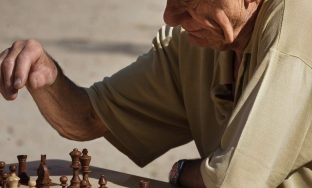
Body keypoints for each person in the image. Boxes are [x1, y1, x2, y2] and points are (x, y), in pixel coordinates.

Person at [0, 0, 311, 187]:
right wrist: (47, 77)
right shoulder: (197, 42)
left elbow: (232, 182)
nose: (169, 16)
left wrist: (180, 172)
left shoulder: (299, 20)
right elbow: (87, 118)